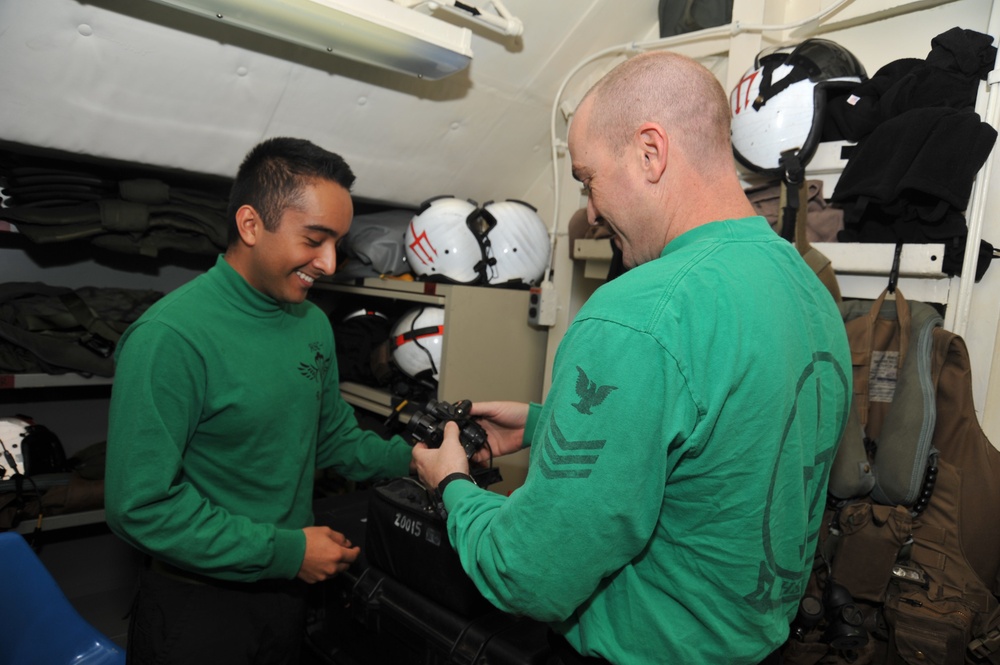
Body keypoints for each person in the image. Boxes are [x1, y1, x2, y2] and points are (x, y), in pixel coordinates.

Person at [412, 51, 852, 665]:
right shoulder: (808, 289)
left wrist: (453, 487)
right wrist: (546, 426)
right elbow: (735, 447)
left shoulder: (638, 313)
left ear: (651, 152)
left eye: (589, 179)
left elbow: (529, 572)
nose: (590, 210)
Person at [105, 137, 415, 665]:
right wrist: (289, 552)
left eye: (337, 242)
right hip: (199, 608)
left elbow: (331, 437)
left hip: (286, 593)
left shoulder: (312, 322)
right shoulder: (171, 337)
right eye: (314, 239)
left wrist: (417, 459)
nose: (330, 262)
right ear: (251, 225)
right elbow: (140, 506)